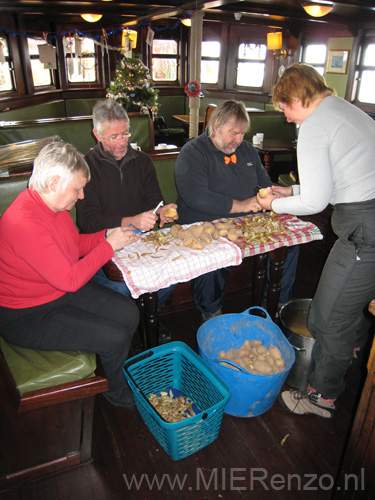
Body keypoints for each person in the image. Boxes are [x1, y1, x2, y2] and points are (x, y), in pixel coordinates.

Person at [257, 63, 375, 418]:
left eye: (286, 109)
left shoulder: (314, 125)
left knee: (327, 318)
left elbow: (315, 203)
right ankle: (346, 352)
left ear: (297, 97)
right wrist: (291, 189)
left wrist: (272, 203)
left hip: (364, 231)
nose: (289, 119)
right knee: (351, 305)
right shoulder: (345, 109)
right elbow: (336, 179)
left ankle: (320, 396)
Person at [0, 142, 140, 409]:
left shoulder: (54, 207)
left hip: (57, 292)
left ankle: (110, 364)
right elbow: (70, 279)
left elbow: (74, 245)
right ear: (54, 182)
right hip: (26, 315)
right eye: (77, 188)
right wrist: (109, 247)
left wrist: (108, 236)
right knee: (116, 337)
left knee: (129, 313)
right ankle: (115, 391)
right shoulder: (24, 222)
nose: (82, 195)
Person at [174, 100, 299, 322]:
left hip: (247, 223)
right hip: (205, 222)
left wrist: (271, 194)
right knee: (212, 250)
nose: (239, 140)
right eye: (233, 133)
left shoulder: (247, 150)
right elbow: (196, 197)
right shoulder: (192, 152)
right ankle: (210, 311)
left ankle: (277, 301)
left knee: (289, 241)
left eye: (242, 134)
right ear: (215, 127)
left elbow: (263, 182)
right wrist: (241, 205)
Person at [76, 99, 178, 342]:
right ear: (97, 135)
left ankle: (145, 317)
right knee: (121, 288)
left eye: (125, 134)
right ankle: (132, 321)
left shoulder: (143, 162)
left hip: (140, 242)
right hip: (103, 246)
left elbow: (154, 201)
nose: (122, 142)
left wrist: (162, 211)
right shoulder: (86, 167)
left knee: (174, 272)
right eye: (113, 137)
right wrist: (131, 220)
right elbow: (88, 222)